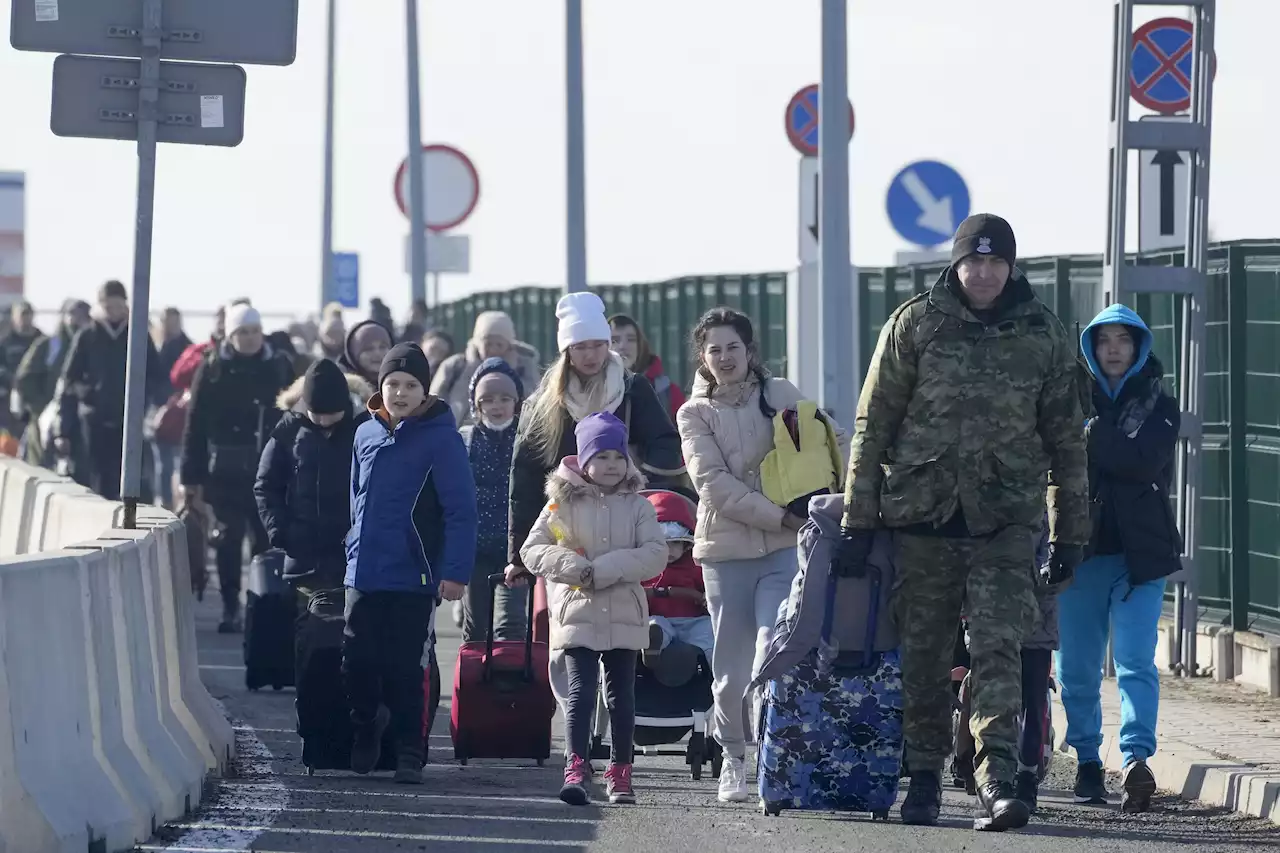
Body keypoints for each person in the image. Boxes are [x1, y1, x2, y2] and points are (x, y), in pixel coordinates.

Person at [836, 213, 1089, 830]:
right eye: (973, 262)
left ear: (1011, 266)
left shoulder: (1043, 333)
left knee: (999, 649)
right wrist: (856, 519)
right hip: (923, 519)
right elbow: (874, 424)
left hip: (1004, 522)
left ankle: (998, 780)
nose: (983, 273)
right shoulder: (915, 324)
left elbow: (1067, 441)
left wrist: (1070, 532)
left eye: (995, 262)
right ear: (955, 265)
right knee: (924, 659)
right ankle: (922, 778)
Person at [676, 307, 830, 803]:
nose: (725, 357)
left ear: (750, 351)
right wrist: (782, 517)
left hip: (785, 551)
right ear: (702, 357)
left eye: (733, 347)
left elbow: (830, 441)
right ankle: (733, 758)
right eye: (714, 349)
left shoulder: (781, 394)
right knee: (732, 667)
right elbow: (714, 486)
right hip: (725, 554)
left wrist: (856, 483)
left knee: (775, 647)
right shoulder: (694, 413)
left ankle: (772, 757)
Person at [1056, 304, 1181, 815]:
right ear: (1089, 348)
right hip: (1078, 555)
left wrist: (1090, 433)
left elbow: (1141, 461)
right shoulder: (1063, 402)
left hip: (1140, 557)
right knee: (1078, 669)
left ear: (1138, 348)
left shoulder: (1160, 404)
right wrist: (1096, 435)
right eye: (1103, 340)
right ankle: (1088, 758)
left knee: (1134, 661)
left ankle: (1135, 761)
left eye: (1122, 340)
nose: (1112, 349)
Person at [344, 343, 476, 784]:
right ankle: (365, 726)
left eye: (410, 385)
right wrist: (351, 549)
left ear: (425, 391)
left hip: (414, 575)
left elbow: (461, 510)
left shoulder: (443, 439)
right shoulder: (364, 433)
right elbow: (356, 500)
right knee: (356, 661)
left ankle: (408, 751)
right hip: (363, 571)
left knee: (407, 667)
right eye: (392, 384)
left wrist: (455, 572)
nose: (400, 393)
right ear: (380, 388)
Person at [521, 412, 666, 806]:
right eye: (601, 457)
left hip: (623, 611)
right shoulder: (560, 504)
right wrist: (572, 567)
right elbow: (532, 549)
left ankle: (620, 771)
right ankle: (576, 765)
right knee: (581, 692)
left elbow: (656, 553)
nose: (611, 466)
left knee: (622, 696)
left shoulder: (639, 506)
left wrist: (604, 569)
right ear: (583, 460)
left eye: (618, 457)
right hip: (577, 611)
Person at [506, 291, 684, 580]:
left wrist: (638, 486)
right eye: (580, 347)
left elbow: (665, 445)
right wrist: (518, 556)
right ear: (566, 351)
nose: (590, 355)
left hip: (624, 527)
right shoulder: (546, 402)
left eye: (599, 345)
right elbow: (525, 478)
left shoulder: (631, 389)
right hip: (567, 532)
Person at [181, 303, 294, 633]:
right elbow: (195, 424)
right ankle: (230, 605)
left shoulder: (278, 365)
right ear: (230, 335)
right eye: (242, 332)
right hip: (225, 472)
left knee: (266, 542)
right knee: (228, 541)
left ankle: (262, 608)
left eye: (255, 331)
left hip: (268, 469)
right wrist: (192, 477)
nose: (249, 338)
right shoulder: (213, 369)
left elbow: (296, 416)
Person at [254, 359, 366, 608]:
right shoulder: (289, 430)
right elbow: (266, 484)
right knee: (308, 631)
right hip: (304, 559)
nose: (324, 422)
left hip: (355, 558)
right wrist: (279, 531)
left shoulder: (364, 429)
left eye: (331, 415)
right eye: (318, 416)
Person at [54, 280, 166, 500]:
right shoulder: (87, 337)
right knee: (97, 481)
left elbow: (156, 376)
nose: (113, 311)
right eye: (108, 306)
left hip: (130, 423)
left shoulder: (138, 336)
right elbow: (69, 381)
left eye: (118, 305)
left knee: (131, 482)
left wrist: (144, 402)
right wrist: (66, 426)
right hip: (94, 422)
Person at [458, 357, 527, 643]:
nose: (496, 406)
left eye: (504, 398)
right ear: (477, 404)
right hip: (474, 548)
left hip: (516, 549)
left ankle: (510, 684)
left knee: (511, 625)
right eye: (487, 400)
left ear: (517, 402)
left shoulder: (527, 439)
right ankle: (474, 684)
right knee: (476, 627)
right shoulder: (465, 439)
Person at [13, 299, 90, 467]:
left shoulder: (92, 348)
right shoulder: (50, 346)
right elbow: (24, 378)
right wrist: (42, 407)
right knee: (41, 469)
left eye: (84, 315)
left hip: (81, 423)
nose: (78, 320)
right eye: (73, 314)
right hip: (44, 421)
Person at [640, 489, 714, 665]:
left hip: (691, 619)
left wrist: (706, 597)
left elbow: (708, 587)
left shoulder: (694, 566)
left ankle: (718, 672)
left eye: (675, 544)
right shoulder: (642, 568)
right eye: (663, 545)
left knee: (709, 630)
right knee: (654, 625)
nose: (669, 551)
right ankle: (652, 647)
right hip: (658, 618)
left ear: (686, 545)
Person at [430, 311, 541, 425]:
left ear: (509, 345)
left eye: (499, 344)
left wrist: (510, 372)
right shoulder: (455, 366)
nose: (493, 350)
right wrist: (472, 370)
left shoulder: (524, 366)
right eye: (488, 344)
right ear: (478, 344)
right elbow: (433, 403)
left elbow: (535, 404)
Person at [609, 314, 686, 420]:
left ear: (640, 345)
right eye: (614, 340)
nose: (623, 346)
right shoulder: (590, 389)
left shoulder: (668, 393)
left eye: (631, 339)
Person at [0, 299, 42, 434]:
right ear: (14, 317)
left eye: (28, 314)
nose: (25, 318)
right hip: (10, 395)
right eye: (21, 315)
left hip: (36, 396)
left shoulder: (44, 340)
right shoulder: (5, 342)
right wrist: (11, 379)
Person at [338, 319, 393, 392]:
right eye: (369, 349)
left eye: (382, 347)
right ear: (354, 355)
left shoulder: (403, 383)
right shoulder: (341, 388)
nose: (377, 353)